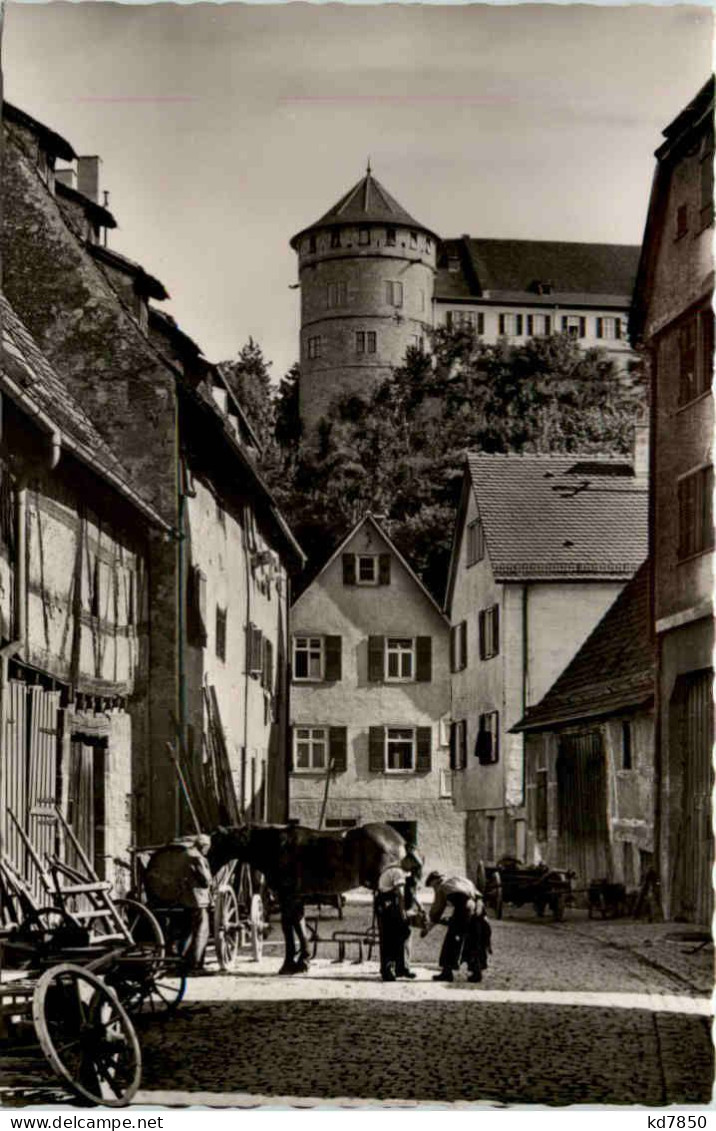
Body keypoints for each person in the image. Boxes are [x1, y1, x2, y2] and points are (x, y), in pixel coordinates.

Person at [422, 870, 491, 983]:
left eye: (432, 886)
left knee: (452, 940)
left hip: (464, 908)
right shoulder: (461, 880)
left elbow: (436, 911)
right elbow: (478, 896)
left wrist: (427, 929)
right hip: (477, 909)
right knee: (474, 940)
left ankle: (447, 972)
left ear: (435, 881)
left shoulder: (442, 886)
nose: (434, 889)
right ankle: (476, 972)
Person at [374, 864, 417, 982]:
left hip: (385, 904)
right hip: (387, 905)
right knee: (390, 937)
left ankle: (400, 968)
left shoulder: (393, 871)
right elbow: (401, 893)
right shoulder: (398, 872)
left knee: (399, 934)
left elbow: (411, 895)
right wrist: (403, 912)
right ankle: (389, 971)